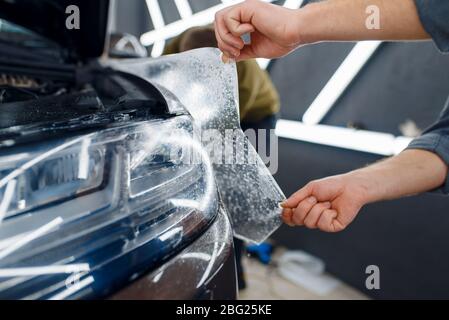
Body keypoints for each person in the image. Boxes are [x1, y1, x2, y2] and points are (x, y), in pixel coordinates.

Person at [214, 0, 449, 232]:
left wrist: (297, 25)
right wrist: (360, 185)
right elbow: (444, 145)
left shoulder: (243, 77)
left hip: (257, 115)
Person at [163, 25, 281, 289]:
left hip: (254, 116)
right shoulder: (172, 49)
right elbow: (165, 85)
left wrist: (211, 143)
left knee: (237, 192)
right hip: (211, 110)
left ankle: (236, 270)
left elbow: (232, 118)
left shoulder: (241, 64)